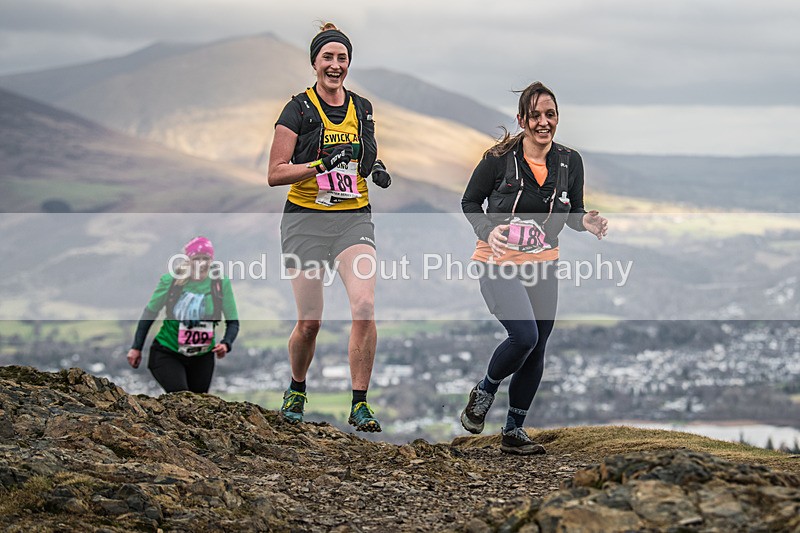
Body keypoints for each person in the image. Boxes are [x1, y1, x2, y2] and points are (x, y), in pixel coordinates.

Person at [460, 82, 608, 455]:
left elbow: (571, 209)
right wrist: (488, 230)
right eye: (536, 116)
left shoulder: (568, 161)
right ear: (522, 119)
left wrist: (584, 221)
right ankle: (485, 390)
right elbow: (470, 201)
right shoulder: (497, 159)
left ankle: (514, 430)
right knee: (523, 337)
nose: (544, 122)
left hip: (543, 265)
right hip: (498, 264)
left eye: (551, 115)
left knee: (538, 347)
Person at [267, 22, 392, 432]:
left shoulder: (363, 108)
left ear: (349, 63)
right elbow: (275, 173)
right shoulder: (297, 109)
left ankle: (359, 403)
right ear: (315, 62)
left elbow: (363, 157)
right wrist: (320, 165)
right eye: (328, 58)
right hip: (305, 221)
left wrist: (377, 169)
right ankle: (297, 388)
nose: (335, 65)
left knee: (365, 305)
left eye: (342, 58)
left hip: (352, 218)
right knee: (310, 321)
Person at [127, 236, 239, 393]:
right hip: (168, 352)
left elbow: (233, 322)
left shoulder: (219, 283)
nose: (201, 263)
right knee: (183, 400)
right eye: (196, 258)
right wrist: (136, 348)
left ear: (211, 259)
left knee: (199, 407)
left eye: (205, 258)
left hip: (202, 357)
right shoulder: (171, 281)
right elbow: (150, 313)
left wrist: (226, 344)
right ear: (188, 260)